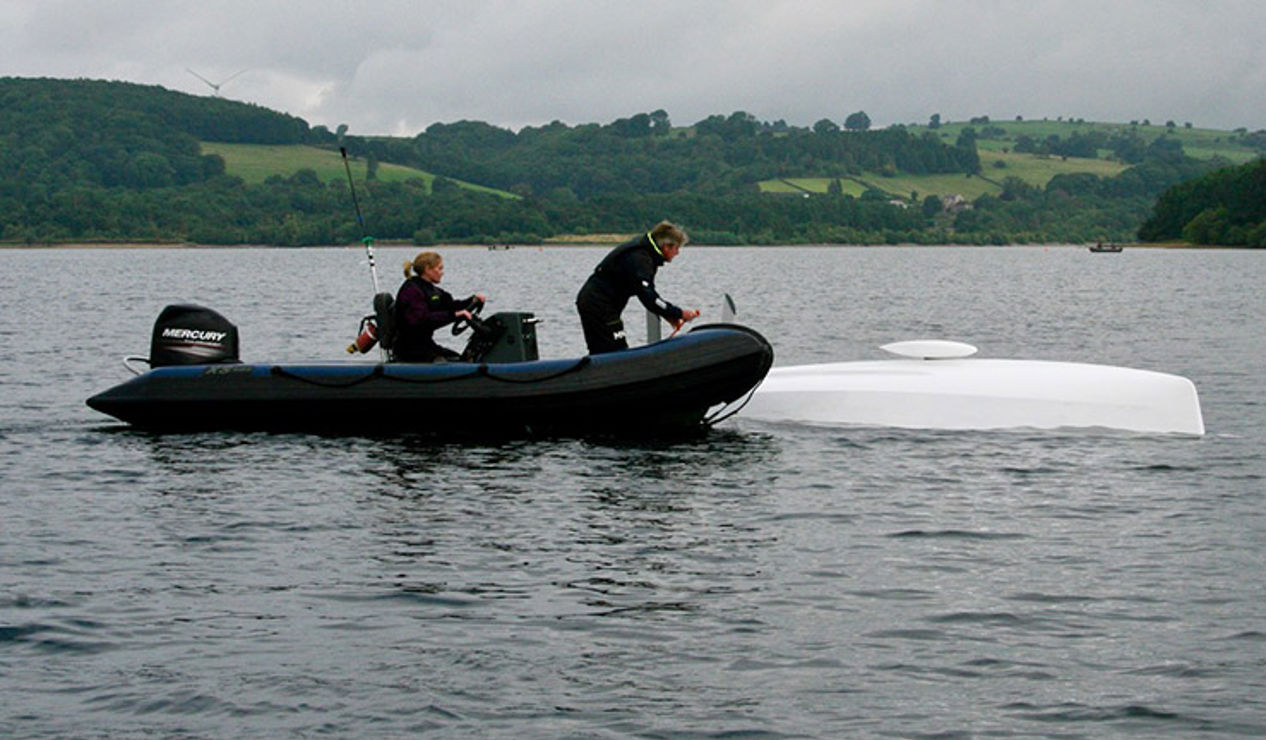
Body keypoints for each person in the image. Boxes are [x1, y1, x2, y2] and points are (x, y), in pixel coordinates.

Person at [575, 220, 701, 355]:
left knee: (604, 349)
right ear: (666, 247)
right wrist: (679, 313)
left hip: (599, 302)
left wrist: (668, 315)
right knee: (614, 350)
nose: (677, 253)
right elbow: (649, 297)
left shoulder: (645, 253)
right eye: (677, 248)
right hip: (598, 304)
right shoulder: (641, 259)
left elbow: (647, 296)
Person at [393, 251, 486, 362]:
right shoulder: (412, 290)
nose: (442, 273)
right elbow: (421, 320)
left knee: (464, 359)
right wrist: (454, 315)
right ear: (427, 269)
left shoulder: (432, 290)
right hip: (409, 350)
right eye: (439, 268)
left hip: (427, 346)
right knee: (447, 363)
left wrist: (473, 299)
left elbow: (451, 305)